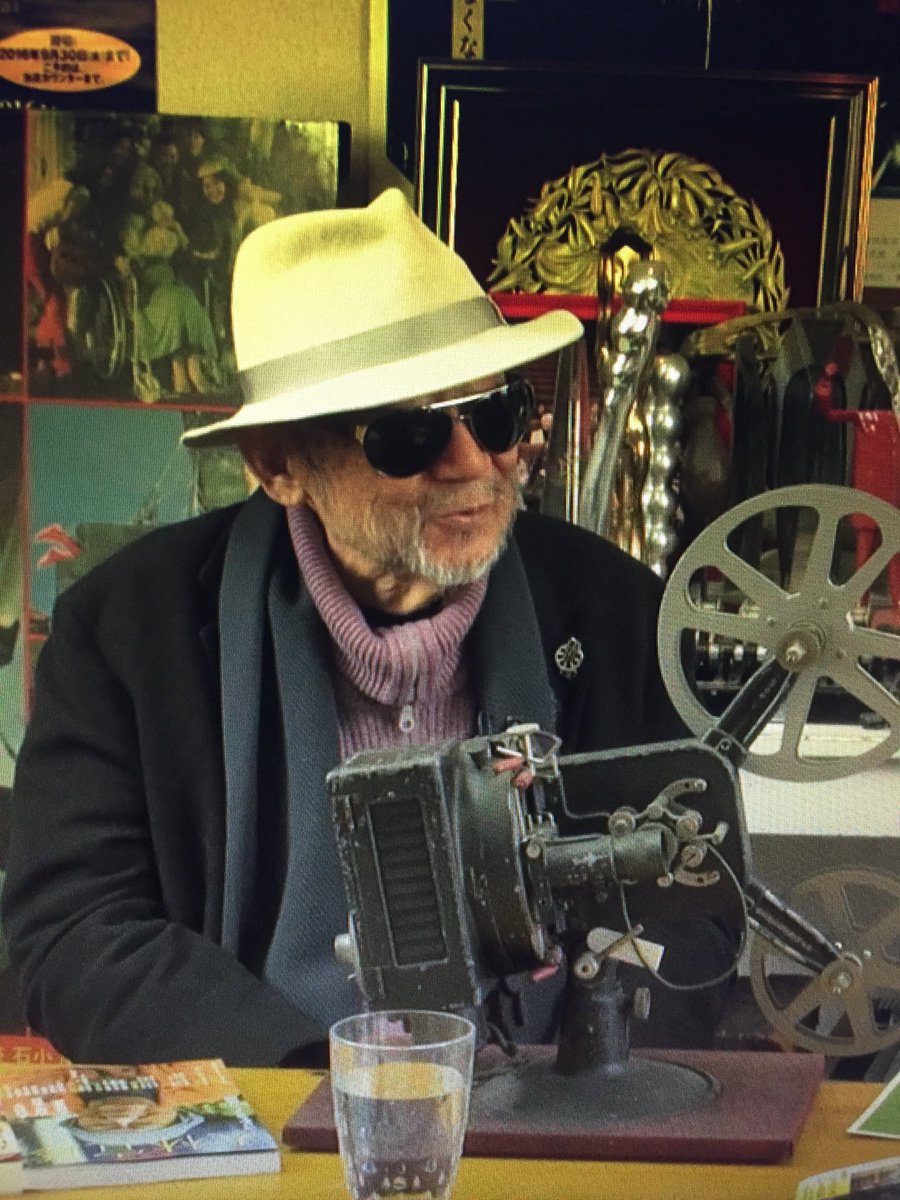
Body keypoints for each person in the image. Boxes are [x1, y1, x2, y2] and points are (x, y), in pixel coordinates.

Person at [3, 190, 738, 1067]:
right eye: (408, 434)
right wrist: (328, 1087)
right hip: (272, 1112)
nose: (473, 463)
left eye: (496, 414)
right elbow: (75, 928)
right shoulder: (127, 632)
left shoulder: (616, 611)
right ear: (279, 463)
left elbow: (698, 897)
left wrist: (586, 1079)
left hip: (559, 1105)